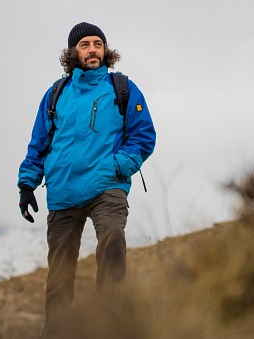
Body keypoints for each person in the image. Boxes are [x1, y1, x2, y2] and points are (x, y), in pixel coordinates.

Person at [17, 22, 156, 337]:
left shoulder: (122, 88)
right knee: (60, 275)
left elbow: (143, 135)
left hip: (107, 187)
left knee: (112, 243)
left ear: (105, 50)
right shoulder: (56, 94)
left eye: (97, 43)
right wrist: (27, 185)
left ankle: (110, 325)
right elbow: (39, 143)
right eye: (85, 45)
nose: (93, 49)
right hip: (63, 192)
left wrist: (116, 167)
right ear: (72, 52)